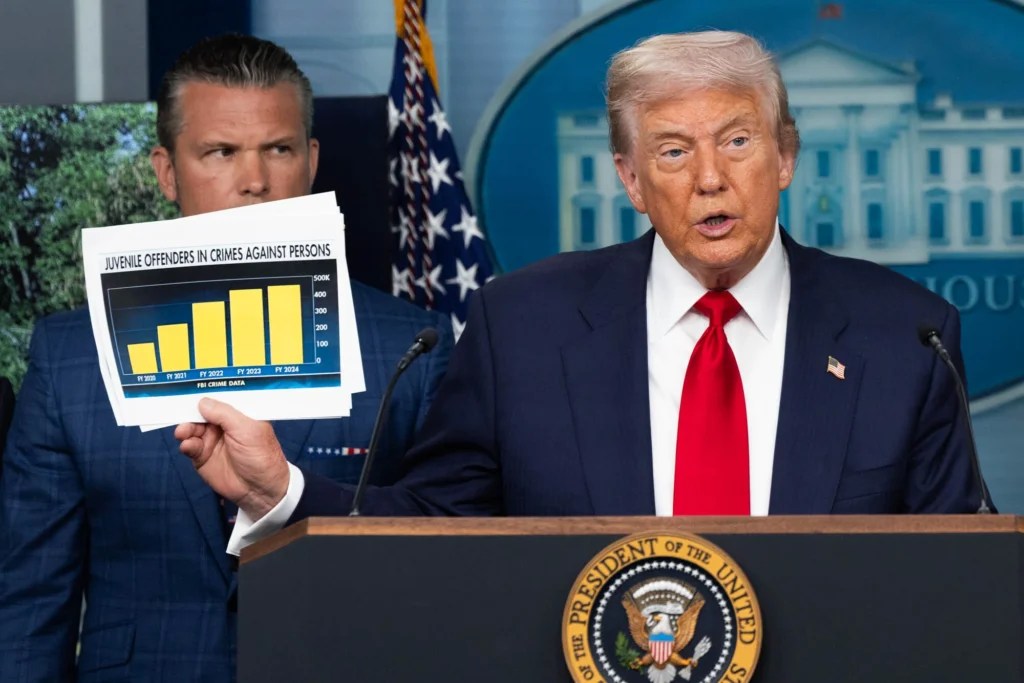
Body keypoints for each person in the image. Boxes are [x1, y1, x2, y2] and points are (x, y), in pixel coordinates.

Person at [178, 30, 987, 542]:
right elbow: (430, 527)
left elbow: (955, 577)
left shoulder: (907, 338)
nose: (710, 178)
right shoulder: (521, 327)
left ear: (785, 157)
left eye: (738, 142)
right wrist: (282, 489)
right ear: (631, 179)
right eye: (673, 152)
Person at [0, 34, 452, 682]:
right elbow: (29, 606)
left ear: (311, 161)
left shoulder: (409, 348)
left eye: (279, 149)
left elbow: (443, 564)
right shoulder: (70, 356)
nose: (254, 181)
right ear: (166, 171)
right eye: (221, 152)